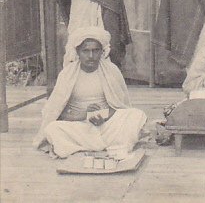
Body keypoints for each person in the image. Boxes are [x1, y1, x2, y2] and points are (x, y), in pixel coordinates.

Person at [32, 27, 147, 158]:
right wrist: (85, 115)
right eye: (85, 51)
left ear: (102, 52)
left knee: (136, 115)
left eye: (95, 50)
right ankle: (110, 146)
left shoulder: (112, 70)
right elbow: (56, 112)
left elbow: (121, 105)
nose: (91, 56)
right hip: (79, 126)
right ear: (77, 52)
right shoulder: (67, 74)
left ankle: (85, 147)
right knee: (52, 129)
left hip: (106, 125)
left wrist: (104, 116)